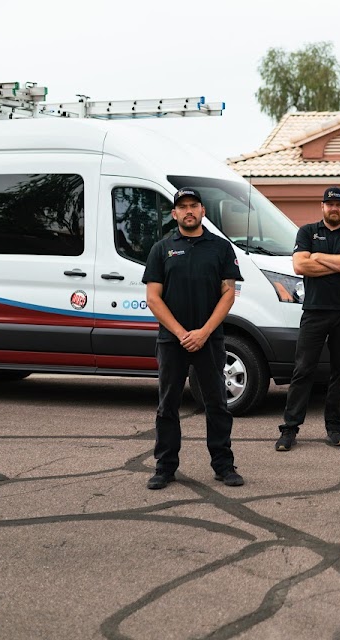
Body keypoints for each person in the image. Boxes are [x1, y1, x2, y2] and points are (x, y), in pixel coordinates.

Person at [142, 187, 245, 490]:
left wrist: (203, 332)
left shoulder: (221, 248)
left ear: (202, 211)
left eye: (193, 206)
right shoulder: (161, 249)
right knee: (167, 405)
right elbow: (153, 298)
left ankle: (224, 466)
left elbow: (228, 295)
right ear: (174, 214)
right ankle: (165, 467)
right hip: (172, 340)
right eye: (182, 207)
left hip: (209, 340)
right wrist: (181, 333)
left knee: (217, 403)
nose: (188, 211)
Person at [276, 187, 340, 451]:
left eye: (338, 204)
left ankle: (335, 429)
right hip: (314, 311)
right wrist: (335, 263)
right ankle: (289, 430)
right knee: (303, 370)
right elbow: (300, 266)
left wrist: (318, 256)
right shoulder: (306, 232)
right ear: (322, 206)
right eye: (329, 204)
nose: (334, 208)